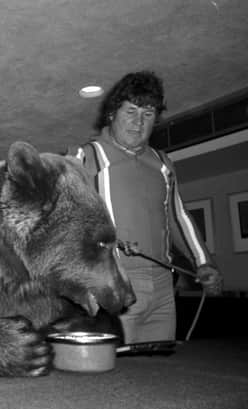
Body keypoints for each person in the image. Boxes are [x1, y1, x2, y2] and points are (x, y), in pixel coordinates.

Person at [68, 71, 222, 344]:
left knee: (160, 372)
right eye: (131, 112)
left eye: (148, 114)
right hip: (116, 283)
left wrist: (203, 262)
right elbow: (66, 223)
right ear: (112, 114)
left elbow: (178, 217)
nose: (138, 123)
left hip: (164, 287)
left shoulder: (163, 163)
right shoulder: (85, 157)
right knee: (119, 378)